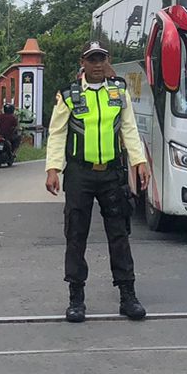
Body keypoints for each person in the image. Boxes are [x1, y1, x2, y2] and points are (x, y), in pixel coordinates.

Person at [45, 40, 153, 323]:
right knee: (76, 234)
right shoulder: (69, 95)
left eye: (100, 59)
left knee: (119, 234)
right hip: (80, 173)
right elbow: (57, 133)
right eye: (91, 59)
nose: (96, 65)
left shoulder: (118, 92)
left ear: (107, 61)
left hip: (112, 173)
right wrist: (53, 169)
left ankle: (128, 296)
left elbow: (129, 128)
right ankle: (76, 299)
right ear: (83, 62)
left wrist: (139, 161)